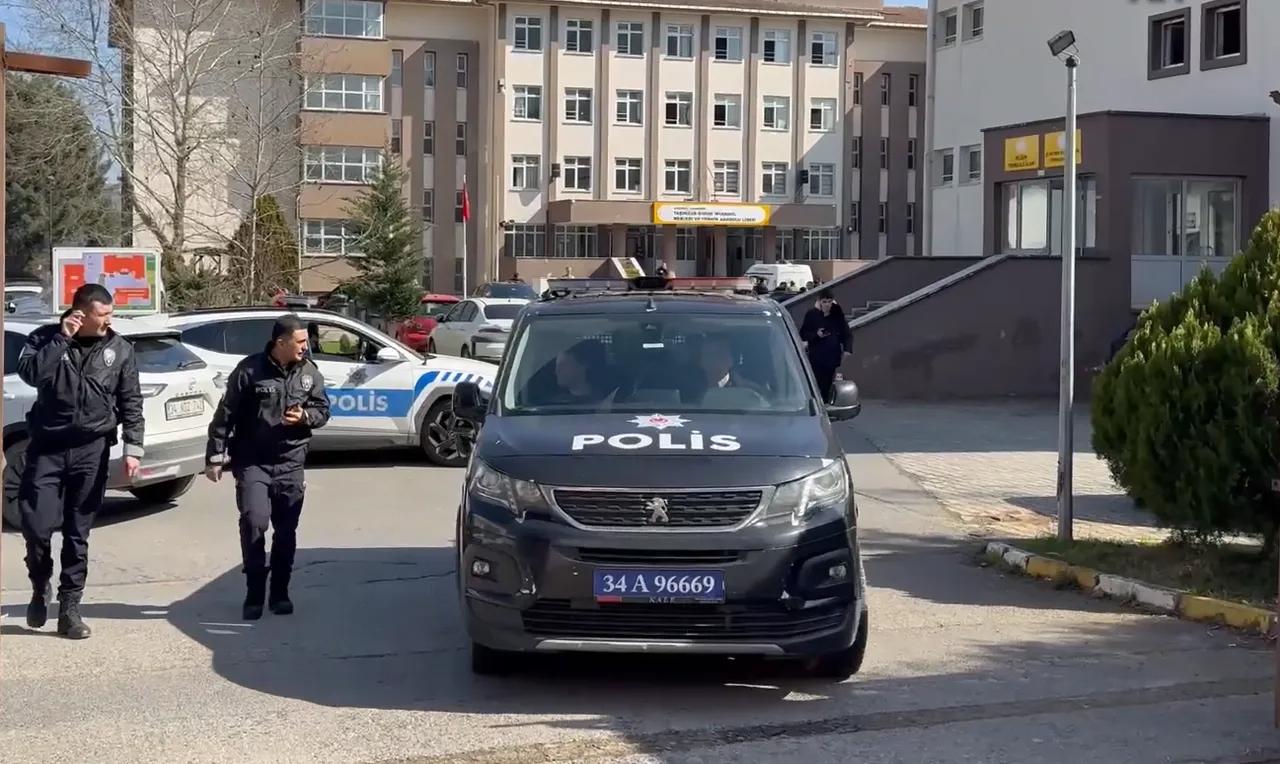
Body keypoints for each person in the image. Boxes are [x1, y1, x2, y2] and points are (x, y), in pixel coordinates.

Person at [17, 283, 144, 639]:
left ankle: (70, 608)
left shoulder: (119, 348)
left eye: (110, 314)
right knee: (36, 527)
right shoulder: (44, 339)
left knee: (78, 532)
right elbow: (32, 375)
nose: (109, 321)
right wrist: (62, 339)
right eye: (103, 315)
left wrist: (134, 449)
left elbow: (131, 400)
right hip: (47, 448)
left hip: (91, 449)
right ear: (80, 313)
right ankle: (40, 584)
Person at [205, 315, 331, 620]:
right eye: (300, 342)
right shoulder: (249, 370)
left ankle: (280, 592)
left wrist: (304, 417)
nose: (306, 347)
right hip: (253, 461)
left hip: (291, 462)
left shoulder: (309, 372)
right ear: (281, 343)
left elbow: (323, 410)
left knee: (286, 532)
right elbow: (227, 413)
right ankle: (254, 591)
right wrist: (214, 455)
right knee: (254, 521)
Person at [799, 295, 852, 401]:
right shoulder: (812, 316)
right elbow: (803, 334)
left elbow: (846, 334)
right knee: (816, 381)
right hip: (816, 356)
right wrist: (816, 334)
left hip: (832, 356)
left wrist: (847, 349)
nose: (827, 305)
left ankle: (825, 401)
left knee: (827, 383)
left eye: (829, 302)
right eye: (824, 302)